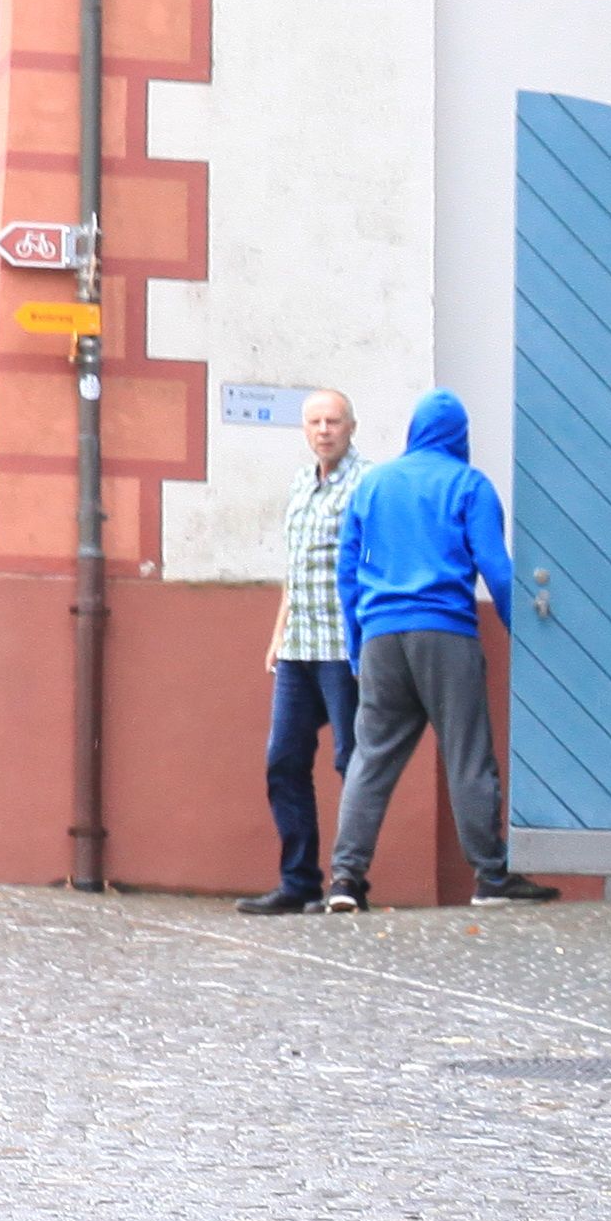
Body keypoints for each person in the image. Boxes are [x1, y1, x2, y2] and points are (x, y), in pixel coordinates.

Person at [322, 389, 557, 910]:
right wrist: (526, 635)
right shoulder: (469, 485)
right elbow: (496, 568)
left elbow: (347, 574)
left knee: (371, 759)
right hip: (445, 635)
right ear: (460, 437)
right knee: (468, 758)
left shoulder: (373, 485)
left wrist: (357, 646)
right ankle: (492, 878)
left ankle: (345, 879)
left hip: (382, 637)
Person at [236, 388, 359, 915]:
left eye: (333, 421)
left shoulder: (367, 483)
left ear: (351, 426)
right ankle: (299, 881)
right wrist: (277, 634)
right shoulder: (298, 486)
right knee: (283, 761)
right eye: (314, 422)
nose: (324, 430)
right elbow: (296, 568)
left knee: (352, 763)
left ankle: (350, 883)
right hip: (298, 648)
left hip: (344, 647)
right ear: (304, 430)